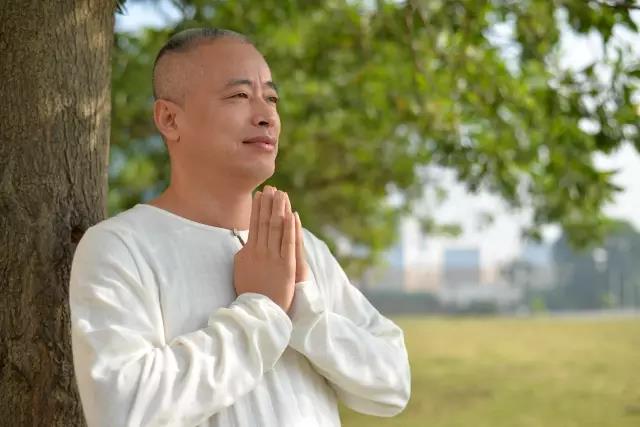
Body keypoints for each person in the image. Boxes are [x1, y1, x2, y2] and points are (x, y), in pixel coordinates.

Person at [69, 28, 411, 427]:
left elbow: (392, 386)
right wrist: (262, 309)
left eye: (271, 98)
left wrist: (303, 310)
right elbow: (125, 411)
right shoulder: (120, 248)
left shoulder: (299, 247)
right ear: (170, 119)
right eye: (239, 96)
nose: (266, 115)